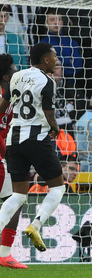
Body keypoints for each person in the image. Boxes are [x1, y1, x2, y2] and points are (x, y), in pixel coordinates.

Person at [0, 43, 65, 255]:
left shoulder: (17, 77)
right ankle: (35, 225)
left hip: (13, 139)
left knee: (18, 195)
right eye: (54, 56)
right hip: (36, 138)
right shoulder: (47, 81)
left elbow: (3, 106)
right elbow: (48, 112)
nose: (56, 60)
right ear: (46, 60)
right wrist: (55, 128)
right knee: (57, 187)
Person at [0, 54, 26, 269]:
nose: (19, 72)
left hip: (3, 158)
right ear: (7, 76)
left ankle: (4, 254)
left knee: (15, 200)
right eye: (16, 70)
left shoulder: (10, 97)